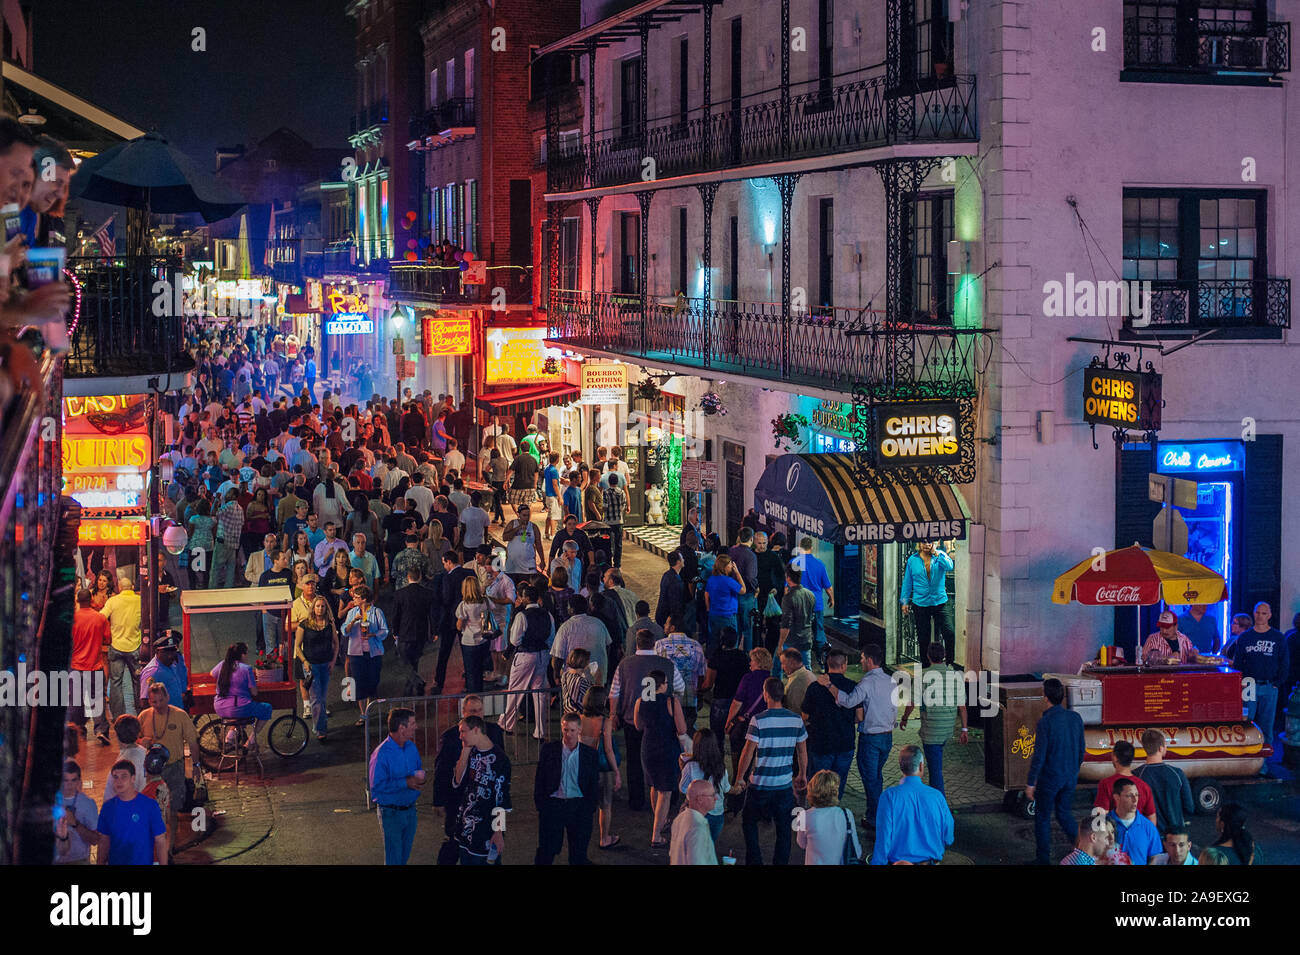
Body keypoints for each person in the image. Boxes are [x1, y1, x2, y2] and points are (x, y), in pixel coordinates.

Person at [817, 643, 895, 826]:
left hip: (871, 738)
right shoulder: (890, 680)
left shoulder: (866, 683)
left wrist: (829, 685)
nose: (860, 662)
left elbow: (849, 701)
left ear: (869, 660)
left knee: (870, 778)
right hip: (887, 737)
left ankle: (876, 817)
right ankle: (875, 813)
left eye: (861, 659)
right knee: (876, 776)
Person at [733, 676, 808, 865]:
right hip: (783, 784)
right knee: (783, 829)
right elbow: (802, 751)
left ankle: (755, 860)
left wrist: (740, 777)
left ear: (766, 694)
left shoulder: (759, 720)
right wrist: (802, 774)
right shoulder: (796, 720)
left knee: (749, 822)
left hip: (760, 784)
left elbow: (748, 752)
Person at [610, 629, 684, 813]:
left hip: (632, 720)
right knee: (666, 760)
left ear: (637, 643)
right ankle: (669, 796)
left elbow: (614, 692)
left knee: (634, 761)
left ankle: (637, 800)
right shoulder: (667, 664)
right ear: (654, 643)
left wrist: (613, 714)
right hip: (663, 721)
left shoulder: (625, 664)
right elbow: (680, 688)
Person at [1025, 677, 1085, 865]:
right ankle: (1083, 851)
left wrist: (1031, 782)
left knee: (1042, 817)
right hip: (1070, 776)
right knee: (1064, 813)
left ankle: (1043, 859)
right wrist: (1074, 769)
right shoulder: (1075, 717)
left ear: (1045, 697)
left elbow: (1039, 756)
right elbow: (1082, 749)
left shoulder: (1046, 721)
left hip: (1050, 778)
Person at [899, 642, 969, 795]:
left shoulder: (922, 676)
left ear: (928, 656)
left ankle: (939, 803)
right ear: (944, 656)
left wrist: (904, 718)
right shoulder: (956, 676)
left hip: (931, 731)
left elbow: (911, 703)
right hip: (947, 728)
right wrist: (964, 729)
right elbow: (962, 707)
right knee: (936, 762)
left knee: (935, 770)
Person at [137, 681, 201, 850]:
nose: (157, 705)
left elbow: (193, 742)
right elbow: (135, 742)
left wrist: (196, 765)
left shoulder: (180, 715)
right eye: (153, 702)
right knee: (153, 811)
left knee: (172, 811)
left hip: (174, 768)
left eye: (160, 700)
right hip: (151, 773)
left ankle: (169, 849)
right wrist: (142, 743)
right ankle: (155, 848)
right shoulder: (144, 716)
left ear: (167, 697)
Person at [534, 712, 600, 865]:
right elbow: (540, 780)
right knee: (546, 850)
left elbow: (592, 784)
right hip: (553, 806)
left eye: (572, 730)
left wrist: (589, 808)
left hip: (579, 807)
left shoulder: (590, 755)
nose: (568, 734)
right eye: (565, 730)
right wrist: (542, 806)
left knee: (578, 853)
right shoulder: (549, 750)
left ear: (579, 730)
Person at [634, 669, 688, 848]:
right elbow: (681, 729)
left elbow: (638, 725)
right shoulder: (672, 702)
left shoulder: (640, 701)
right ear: (662, 685)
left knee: (654, 786)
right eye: (666, 682)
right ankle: (656, 835)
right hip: (666, 748)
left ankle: (660, 821)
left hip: (647, 747)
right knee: (665, 792)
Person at [450, 715, 512, 864]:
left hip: (485, 827)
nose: (460, 736)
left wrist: (498, 832)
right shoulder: (471, 752)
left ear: (476, 730)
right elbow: (457, 780)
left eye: (463, 732)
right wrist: (465, 750)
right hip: (466, 825)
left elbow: (501, 797)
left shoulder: (500, 759)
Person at [368, 707, 425, 865]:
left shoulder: (411, 747)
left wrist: (419, 778)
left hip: (410, 810)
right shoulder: (381, 754)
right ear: (402, 728)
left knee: (403, 856)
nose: (416, 726)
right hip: (391, 813)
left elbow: (418, 768)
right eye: (412, 723)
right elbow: (376, 787)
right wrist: (405, 782)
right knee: (394, 859)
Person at [1232, 601, 1289, 745]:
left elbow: (1284, 662)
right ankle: (1247, 759)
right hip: (1249, 684)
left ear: (1269, 615)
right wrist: (1242, 682)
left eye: (1264, 613)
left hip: (1269, 685)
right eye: (1257, 612)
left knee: (1267, 725)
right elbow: (1238, 662)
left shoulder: (1278, 637)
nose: (1260, 616)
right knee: (1246, 722)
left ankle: (1264, 763)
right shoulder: (1245, 637)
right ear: (1253, 613)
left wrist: (1277, 683)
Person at [96, 760, 167, 865]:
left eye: (124, 776)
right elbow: (104, 842)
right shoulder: (108, 807)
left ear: (133, 778)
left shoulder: (149, 806)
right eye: (115, 777)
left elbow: (160, 841)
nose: (119, 781)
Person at [900, 541, 955, 666]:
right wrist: (904, 601)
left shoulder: (940, 555)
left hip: (940, 601)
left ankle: (950, 662)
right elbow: (907, 582)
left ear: (934, 543)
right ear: (919, 543)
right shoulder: (912, 560)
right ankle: (925, 663)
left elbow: (949, 566)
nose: (926, 544)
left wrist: (936, 553)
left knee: (949, 632)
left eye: (929, 542)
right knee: (923, 635)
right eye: (923, 542)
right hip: (920, 602)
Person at [295, 595, 339, 740]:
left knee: (323, 697)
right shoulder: (304, 624)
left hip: (325, 663)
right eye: (318, 606)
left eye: (322, 606)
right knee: (316, 698)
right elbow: (298, 646)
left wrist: (333, 661)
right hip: (311, 665)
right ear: (313, 608)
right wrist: (305, 662)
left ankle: (320, 725)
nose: (320, 609)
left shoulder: (330, 624)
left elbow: (336, 644)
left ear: (326, 608)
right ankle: (320, 729)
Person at [70, 589, 112, 744]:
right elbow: (108, 640)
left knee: (76, 700)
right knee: (97, 699)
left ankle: (78, 728)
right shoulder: (100, 618)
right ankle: (101, 729)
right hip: (95, 666)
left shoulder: (72, 619)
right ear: (91, 600)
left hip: (76, 666)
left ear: (78, 601)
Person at [342, 585, 388, 723]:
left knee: (372, 681)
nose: (354, 599)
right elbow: (345, 630)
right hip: (356, 653)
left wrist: (374, 634)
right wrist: (354, 620)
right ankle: (363, 714)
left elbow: (385, 630)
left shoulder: (376, 612)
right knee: (358, 683)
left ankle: (369, 706)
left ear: (364, 599)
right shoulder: (352, 612)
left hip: (374, 653)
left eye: (356, 597)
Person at [100, 572, 143, 721]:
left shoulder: (113, 601)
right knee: (137, 681)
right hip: (134, 646)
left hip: (116, 646)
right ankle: (140, 712)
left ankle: (118, 716)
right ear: (131, 587)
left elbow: (101, 617)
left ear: (119, 587)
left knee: (116, 682)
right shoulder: (140, 600)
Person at [798, 768, 863, 865]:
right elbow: (857, 852)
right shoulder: (846, 814)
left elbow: (802, 844)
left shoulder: (803, 816)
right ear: (835, 792)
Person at [677, 727, 730, 847]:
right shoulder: (721, 767)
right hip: (716, 814)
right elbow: (726, 788)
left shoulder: (690, 766)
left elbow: (683, 788)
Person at [655, 615, 706, 731]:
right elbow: (702, 674)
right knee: (687, 732)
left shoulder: (659, 645)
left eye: (667, 623)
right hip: (689, 699)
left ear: (672, 627)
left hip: (666, 699)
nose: (664, 625)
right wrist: (699, 695)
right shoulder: (696, 645)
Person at [790, 537, 833, 668]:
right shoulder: (819, 564)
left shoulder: (794, 563)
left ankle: (798, 663)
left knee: (798, 633)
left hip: (798, 604)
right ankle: (822, 663)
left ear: (799, 546)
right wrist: (832, 598)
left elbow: (788, 587)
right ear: (812, 547)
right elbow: (827, 586)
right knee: (819, 633)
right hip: (816, 604)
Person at [551, 594, 611, 687]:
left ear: (571, 609)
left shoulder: (566, 627)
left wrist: (556, 675)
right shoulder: (598, 623)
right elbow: (607, 646)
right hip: (598, 677)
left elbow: (558, 656)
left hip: (575, 680)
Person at [1094, 739, 1158, 825]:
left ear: (1114, 757)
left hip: (1115, 836)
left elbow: (1101, 817)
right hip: (1138, 836)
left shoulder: (1106, 784)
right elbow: (1151, 820)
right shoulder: (1144, 786)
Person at [1107, 777, 1162, 865]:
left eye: (1137, 795)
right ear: (1116, 797)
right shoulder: (1104, 824)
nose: (1135, 800)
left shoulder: (1148, 827)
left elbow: (1155, 857)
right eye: (1129, 796)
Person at [54, 761, 99, 864]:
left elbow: (95, 840)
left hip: (78, 860)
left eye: (73, 780)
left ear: (79, 782)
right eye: (66, 780)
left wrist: (75, 823)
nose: (69, 785)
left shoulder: (88, 804)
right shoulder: (52, 801)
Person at [669, 779, 719, 865]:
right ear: (700, 799)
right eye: (712, 795)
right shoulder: (697, 829)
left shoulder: (680, 818)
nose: (716, 798)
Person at [703, 554, 745, 655]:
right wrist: (738, 573)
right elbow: (743, 590)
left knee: (715, 641)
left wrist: (708, 608)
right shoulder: (728, 581)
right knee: (730, 644)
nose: (732, 567)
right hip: (727, 616)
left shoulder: (711, 579)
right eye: (730, 565)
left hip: (714, 615)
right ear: (725, 567)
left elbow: (706, 594)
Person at [777, 565, 816, 672]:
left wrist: (780, 644)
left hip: (791, 641)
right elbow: (812, 617)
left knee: (788, 670)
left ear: (788, 577)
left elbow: (786, 624)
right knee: (807, 670)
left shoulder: (788, 598)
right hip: (806, 638)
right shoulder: (810, 595)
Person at [728, 528, 760, 651]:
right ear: (751, 539)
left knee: (736, 627)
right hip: (747, 596)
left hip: (733, 593)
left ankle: (734, 652)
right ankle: (747, 656)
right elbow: (751, 576)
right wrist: (756, 588)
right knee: (748, 629)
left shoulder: (732, 551)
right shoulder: (751, 555)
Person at [602, 472, 629, 567]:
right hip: (619, 521)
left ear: (609, 482)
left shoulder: (606, 492)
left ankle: (609, 561)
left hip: (608, 521)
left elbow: (604, 506)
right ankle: (617, 563)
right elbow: (623, 505)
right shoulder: (621, 492)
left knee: (608, 543)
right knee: (618, 544)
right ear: (617, 482)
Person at [656, 550, 688, 630]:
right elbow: (674, 602)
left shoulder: (667, 575)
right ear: (678, 562)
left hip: (662, 614)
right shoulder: (675, 580)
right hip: (668, 619)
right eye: (682, 558)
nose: (683, 560)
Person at [779, 648, 815, 716]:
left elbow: (795, 712)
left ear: (792, 663)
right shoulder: (809, 673)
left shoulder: (796, 683)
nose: (782, 667)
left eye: (783, 663)